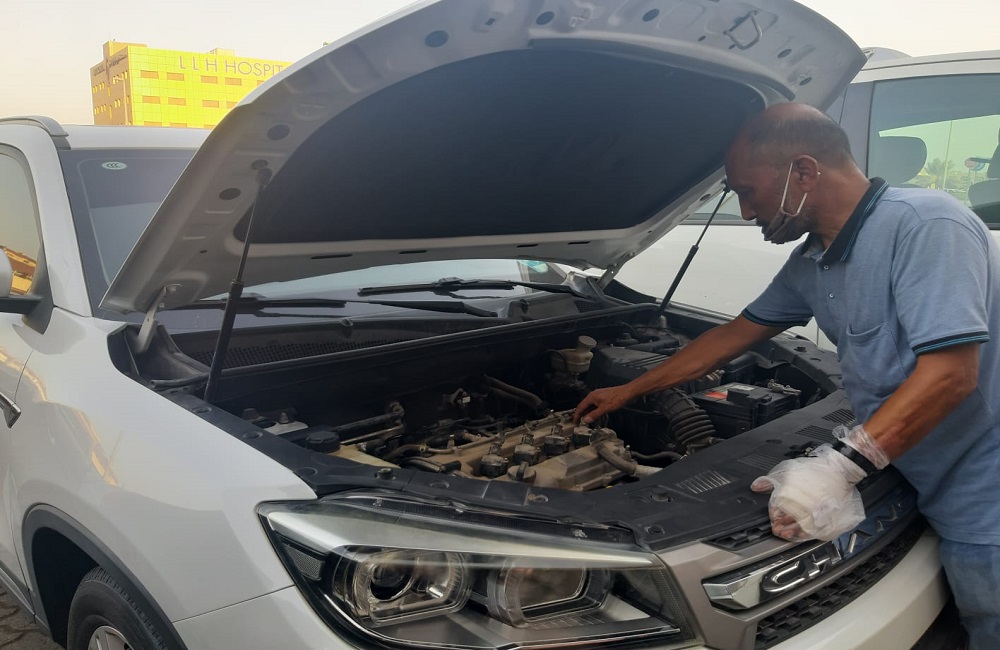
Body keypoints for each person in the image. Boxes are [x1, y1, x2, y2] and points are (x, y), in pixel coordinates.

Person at [574, 103, 1000, 648]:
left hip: (981, 487)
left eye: (748, 191)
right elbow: (732, 336)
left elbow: (950, 376)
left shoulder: (926, 226)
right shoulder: (812, 261)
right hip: (913, 470)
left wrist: (838, 467)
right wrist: (628, 390)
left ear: (803, 172)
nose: (747, 212)